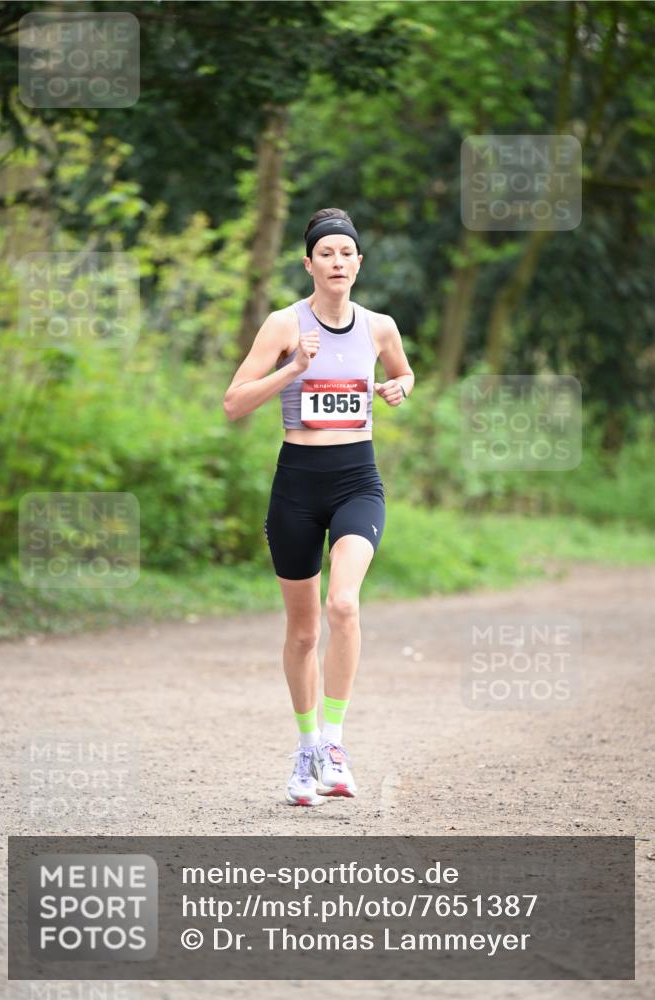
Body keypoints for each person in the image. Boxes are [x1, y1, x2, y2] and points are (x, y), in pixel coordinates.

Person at [223, 208, 414, 805]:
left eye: (346, 253)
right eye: (325, 253)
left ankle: (334, 744)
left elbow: (404, 374)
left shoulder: (380, 327)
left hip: (357, 481)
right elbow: (233, 402)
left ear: (359, 263)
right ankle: (306, 752)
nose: (337, 262)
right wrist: (293, 370)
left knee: (344, 605)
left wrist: (399, 387)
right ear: (309, 264)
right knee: (304, 634)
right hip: (296, 488)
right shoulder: (284, 324)